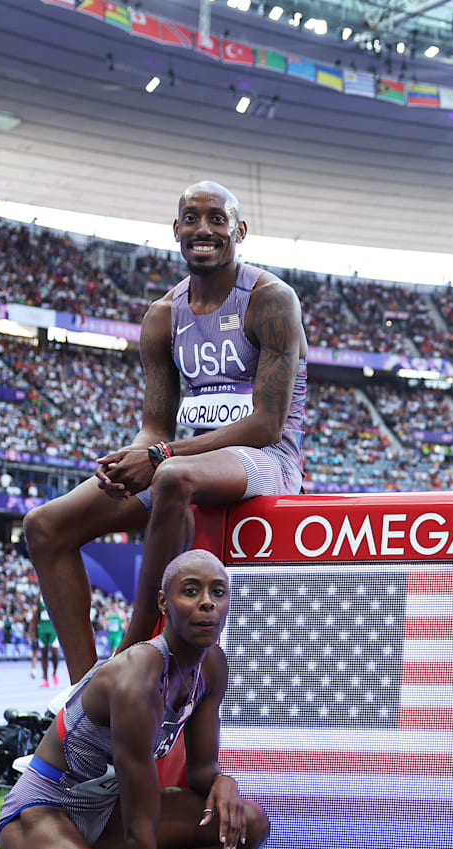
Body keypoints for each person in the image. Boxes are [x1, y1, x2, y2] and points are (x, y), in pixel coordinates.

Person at [22, 181, 309, 683]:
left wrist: (157, 456)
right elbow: (154, 423)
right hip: (184, 458)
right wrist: (128, 461)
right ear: (176, 229)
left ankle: (133, 648)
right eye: (192, 218)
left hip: (265, 461)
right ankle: (88, 692)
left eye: (217, 219)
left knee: (175, 476)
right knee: (44, 526)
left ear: (239, 231)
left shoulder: (271, 300)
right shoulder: (161, 317)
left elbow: (267, 423)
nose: (204, 229)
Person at [0, 550, 267, 849]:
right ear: (164, 603)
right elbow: (141, 828)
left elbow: (201, 771)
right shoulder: (138, 678)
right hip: (42, 815)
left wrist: (225, 782)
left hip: (103, 813)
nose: (207, 604)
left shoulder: (210, 667)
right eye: (191, 591)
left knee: (246, 825)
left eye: (218, 592)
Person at [32, 595, 61, 689]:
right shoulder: (39, 597)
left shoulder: (55, 594)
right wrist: (34, 630)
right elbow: (37, 614)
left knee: (54, 654)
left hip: (53, 627)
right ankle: (45, 679)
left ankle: (54, 673)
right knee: (44, 654)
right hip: (42, 628)